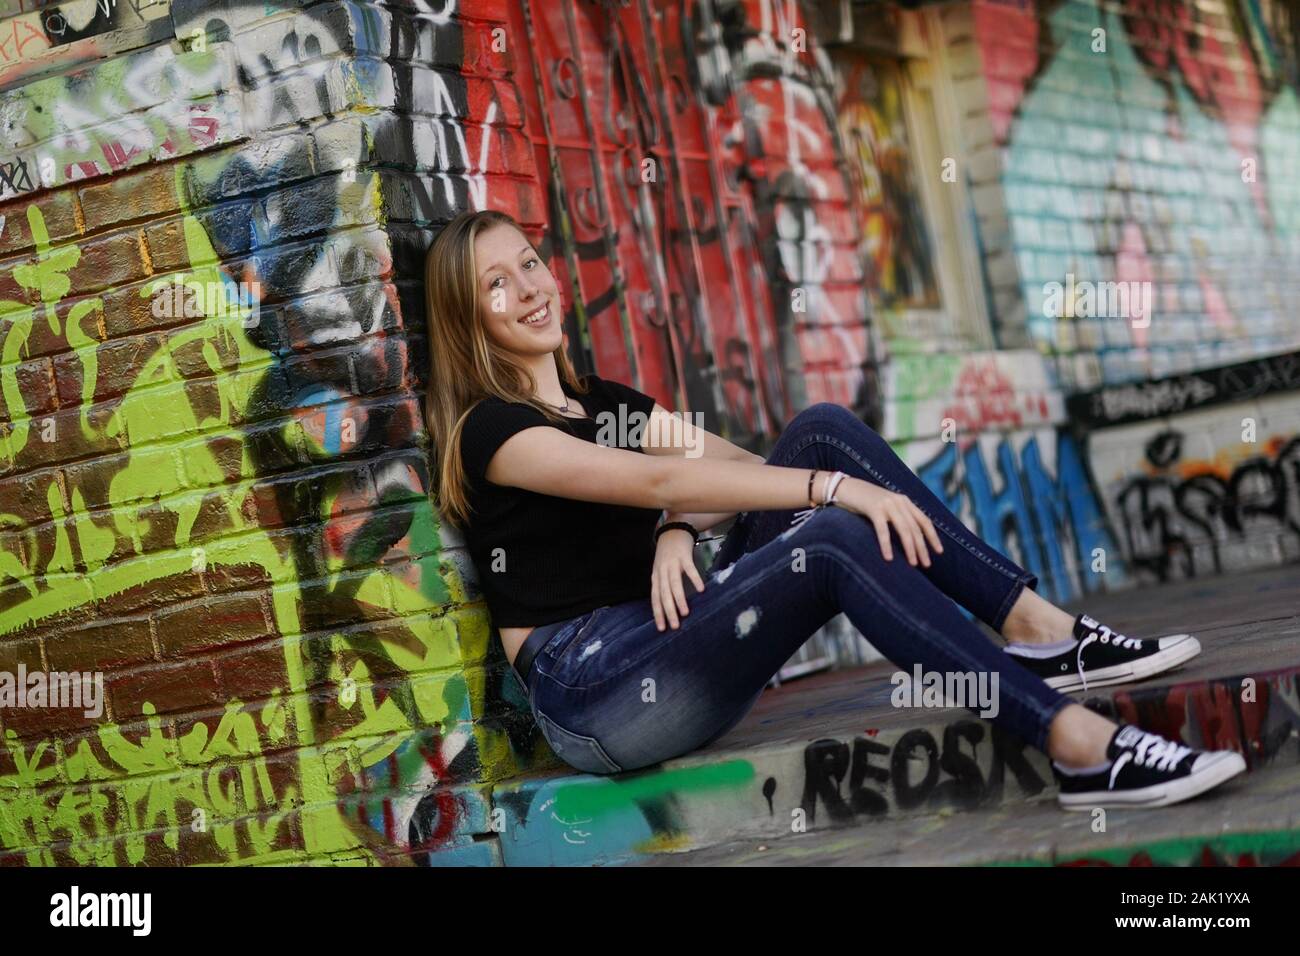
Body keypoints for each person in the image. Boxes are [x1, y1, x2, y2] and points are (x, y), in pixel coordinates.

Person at [423, 209, 1246, 810]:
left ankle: (1037, 626)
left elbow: (734, 470)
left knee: (820, 431)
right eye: (496, 285)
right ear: (468, 319)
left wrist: (679, 530)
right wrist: (813, 496)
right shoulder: (493, 431)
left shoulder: (602, 400)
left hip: (663, 632)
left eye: (530, 262)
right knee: (829, 533)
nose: (528, 288)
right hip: (595, 688)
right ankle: (1073, 744)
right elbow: (655, 482)